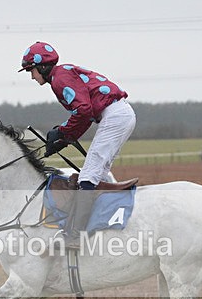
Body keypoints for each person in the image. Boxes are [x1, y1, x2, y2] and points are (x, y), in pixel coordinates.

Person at [19, 41, 136, 249]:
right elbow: (84, 114)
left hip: (114, 116)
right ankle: (99, 229)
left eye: (31, 70)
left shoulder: (59, 78)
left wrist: (62, 133)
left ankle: (75, 236)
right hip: (119, 115)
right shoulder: (61, 75)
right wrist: (63, 138)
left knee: (88, 176)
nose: (32, 76)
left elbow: (83, 111)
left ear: (43, 67)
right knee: (97, 175)